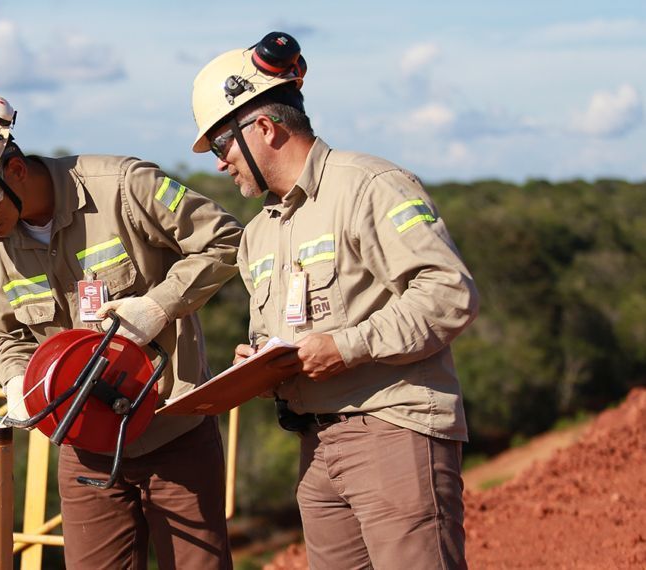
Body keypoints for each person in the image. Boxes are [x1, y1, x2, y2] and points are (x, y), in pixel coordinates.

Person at [0, 93, 243, 568]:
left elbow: (224, 240)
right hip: (83, 442)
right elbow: (7, 338)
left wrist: (159, 305)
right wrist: (17, 381)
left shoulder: (124, 188)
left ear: (15, 169)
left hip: (173, 430)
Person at [188, 34, 480, 569]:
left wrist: (345, 348)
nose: (220, 164)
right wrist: (259, 365)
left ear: (264, 128)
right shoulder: (258, 234)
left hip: (392, 431)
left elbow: (448, 292)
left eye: (220, 146)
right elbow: (287, 333)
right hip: (315, 447)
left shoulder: (370, 186)